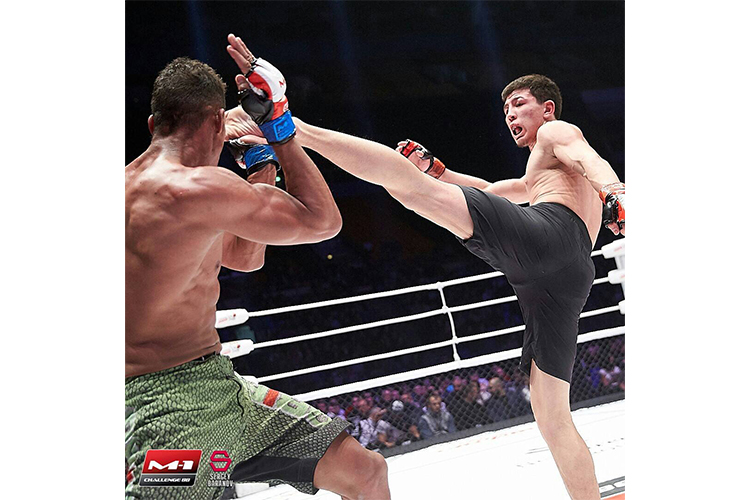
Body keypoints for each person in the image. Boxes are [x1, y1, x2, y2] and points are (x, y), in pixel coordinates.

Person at [235, 67, 624, 498]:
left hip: (552, 238)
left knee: (408, 189)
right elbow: (494, 190)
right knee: (552, 417)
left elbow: (589, 158)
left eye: (519, 104)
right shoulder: (544, 174)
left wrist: (616, 191)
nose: (510, 115)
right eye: (505, 110)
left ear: (547, 108)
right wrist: (440, 172)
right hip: (567, 275)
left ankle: (292, 127)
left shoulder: (556, 132)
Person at [125, 34, 390, 499]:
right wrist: (278, 123)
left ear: (153, 124)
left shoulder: (148, 190)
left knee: (364, 471)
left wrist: (260, 169)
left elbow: (244, 258)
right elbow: (323, 222)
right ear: (216, 122)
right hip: (168, 413)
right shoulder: (198, 189)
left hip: (221, 388)